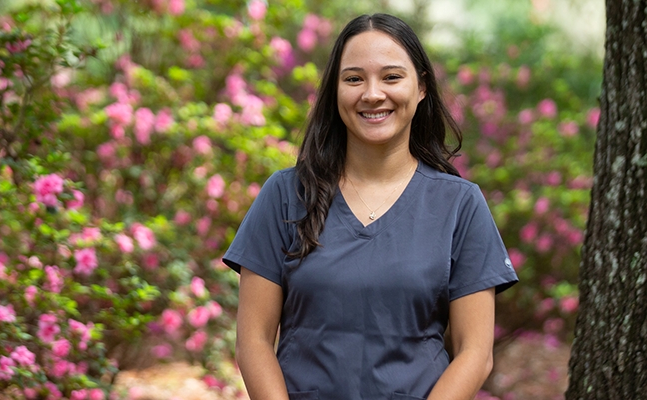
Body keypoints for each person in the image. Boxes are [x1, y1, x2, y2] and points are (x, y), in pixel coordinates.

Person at [222, 13, 518, 400]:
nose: (372, 94)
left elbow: (475, 354)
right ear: (335, 90)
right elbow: (254, 342)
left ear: (422, 87)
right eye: (354, 78)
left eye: (392, 77)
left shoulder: (460, 205)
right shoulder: (285, 194)